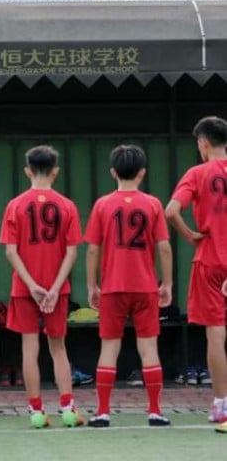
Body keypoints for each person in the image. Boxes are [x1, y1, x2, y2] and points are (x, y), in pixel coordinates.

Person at [84, 145, 172, 428]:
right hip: (145, 286)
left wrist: (92, 285)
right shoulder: (153, 204)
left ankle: (103, 412)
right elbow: (165, 248)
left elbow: (92, 251)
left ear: (112, 172)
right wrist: (167, 283)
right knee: (149, 347)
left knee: (109, 347)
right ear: (143, 173)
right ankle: (155, 411)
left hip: (113, 287)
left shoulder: (102, 205)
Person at [0, 145, 83, 429]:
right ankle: (68, 408)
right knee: (58, 348)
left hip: (25, 288)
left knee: (29, 348)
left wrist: (32, 286)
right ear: (55, 172)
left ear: (27, 171)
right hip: (56, 288)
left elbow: (11, 252)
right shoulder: (68, 206)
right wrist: (55, 287)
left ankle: (36, 411)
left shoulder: (15, 205)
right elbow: (72, 252)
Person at [166, 116, 227, 428]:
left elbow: (171, 211)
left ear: (203, 143)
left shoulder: (197, 173)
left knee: (216, 333)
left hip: (211, 260)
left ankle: (221, 405)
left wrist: (190, 235)